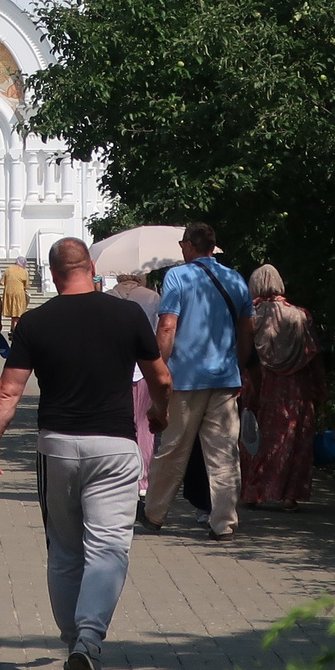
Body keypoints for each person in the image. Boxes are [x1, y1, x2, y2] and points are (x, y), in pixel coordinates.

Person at [0, 237, 169, 670]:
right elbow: (160, 377)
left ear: (53, 273)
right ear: (92, 268)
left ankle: (71, 645)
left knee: (64, 552)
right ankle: (89, 639)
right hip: (115, 446)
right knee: (109, 548)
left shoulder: (36, 322)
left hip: (57, 446)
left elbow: (7, 391)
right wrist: (160, 412)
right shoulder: (127, 315)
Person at [141, 224, 253, 539]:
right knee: (223, 453)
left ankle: (154, 513)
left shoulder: (178, 277)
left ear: (189, 245)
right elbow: (247, 330)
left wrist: (159, 368)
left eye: (182, 244)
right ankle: (224, 523)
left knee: (174, 448)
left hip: (187, 379)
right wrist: (238, 366)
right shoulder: (235, 278)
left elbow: (167, 326)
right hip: (224, 379)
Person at [240, 264, 325, 511]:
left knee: (256, 437)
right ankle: (289, 496)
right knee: (292, 438)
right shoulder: (300, 315)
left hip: (260, 383)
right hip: (295, 388)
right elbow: (314, 353)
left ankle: (253, 493)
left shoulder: (250, 315)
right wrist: (320, 386)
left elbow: (243, 350)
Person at [110, 268, 160, 491]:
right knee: (144, 426)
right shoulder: (152, 297)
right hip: (144, 369)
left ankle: (116, 475)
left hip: (113, 370)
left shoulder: (107, 297)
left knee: (115, 425)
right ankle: (142, 479)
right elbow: (159, 333)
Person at [0, 254, 32, 326]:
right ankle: (15, 329)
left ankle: (12, 328)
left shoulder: (8, 270)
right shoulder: (24, 271)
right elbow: (26, 285)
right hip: (19, 295)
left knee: (13, 315)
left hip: (8, 294)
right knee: (17, 315)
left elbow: (2, 282)